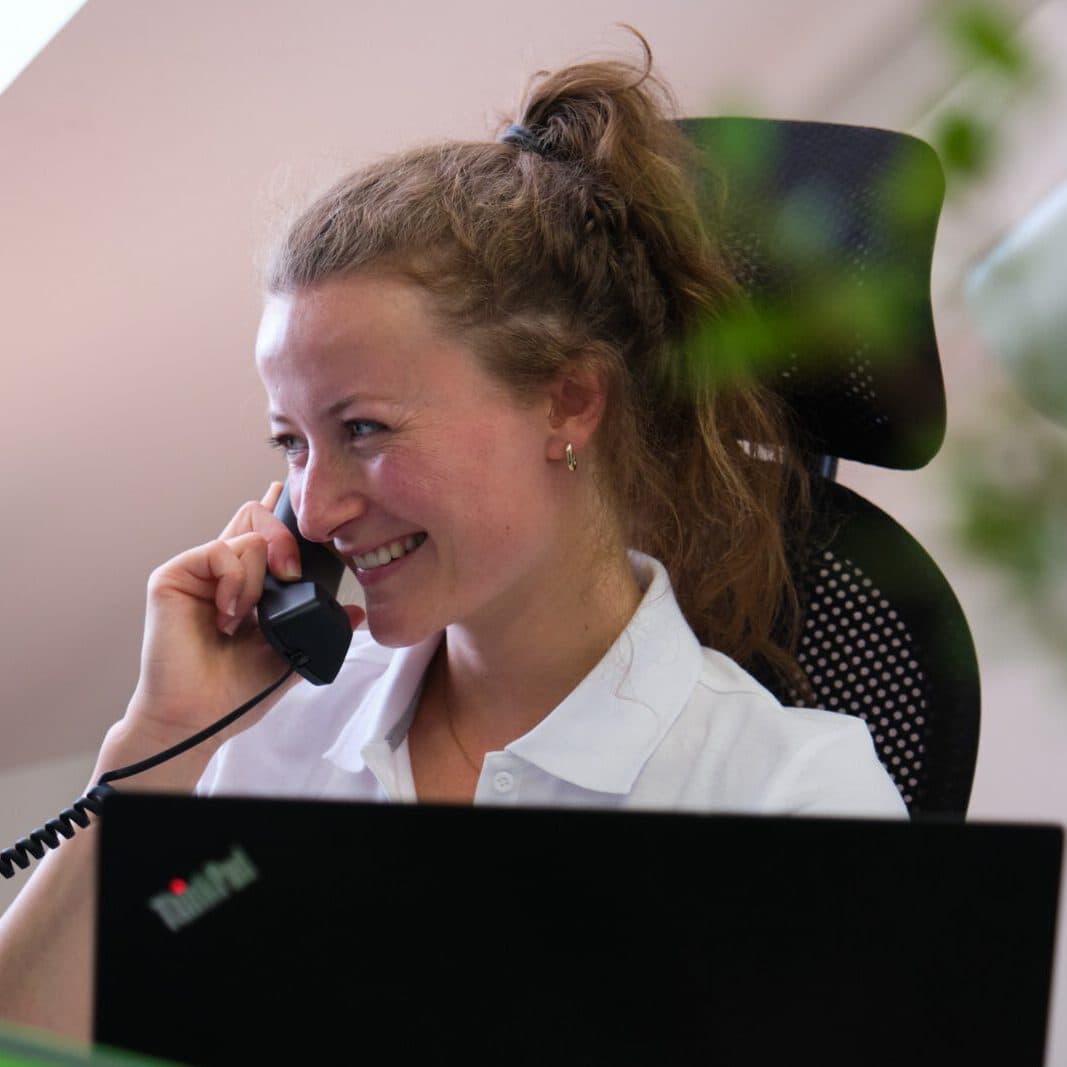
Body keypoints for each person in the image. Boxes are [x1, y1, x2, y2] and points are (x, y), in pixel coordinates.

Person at [0, 32, 905, 1043]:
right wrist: (156, 746)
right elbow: (36, 1033)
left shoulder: (785, 804)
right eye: (292, 443)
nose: (317, 506)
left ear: (568, 401)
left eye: (365, 430)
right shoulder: (284, 735)